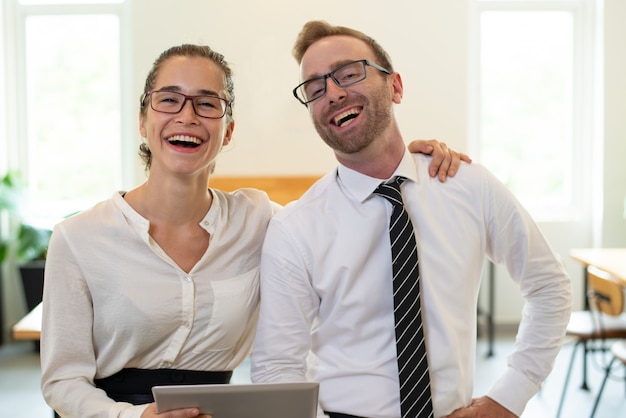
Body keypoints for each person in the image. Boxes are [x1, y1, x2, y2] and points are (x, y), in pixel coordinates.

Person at [39, 43, 465, 418]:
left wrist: (401, 164)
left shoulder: (260, 219)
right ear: (142, 120)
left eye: (208, 103)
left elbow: (343, 212)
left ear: (229, 131)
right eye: (168, 100)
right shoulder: (78, 238)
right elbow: (61, 383)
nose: (187, 116)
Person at [250, 20, 572, 418]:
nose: (332, 93)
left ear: (395, 87)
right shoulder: (296, 228)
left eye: (349, 73)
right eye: (315, 89)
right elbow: (275, 368)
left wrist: (508, 397)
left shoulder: (468, 186)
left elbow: (549, 287)